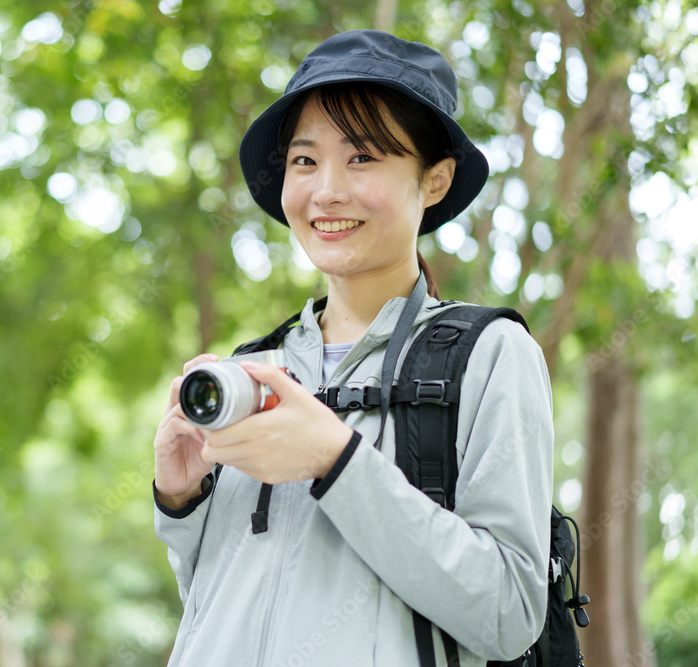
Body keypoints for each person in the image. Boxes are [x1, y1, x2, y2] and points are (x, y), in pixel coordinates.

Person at [152, 30, 554, 667]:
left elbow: (509, 613)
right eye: (305, 161)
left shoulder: (489, 354)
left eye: (362, 158)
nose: (326, 191)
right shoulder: (254, 369)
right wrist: (181, 500)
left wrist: (337, 461)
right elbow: (212, 604)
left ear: (435, 180)